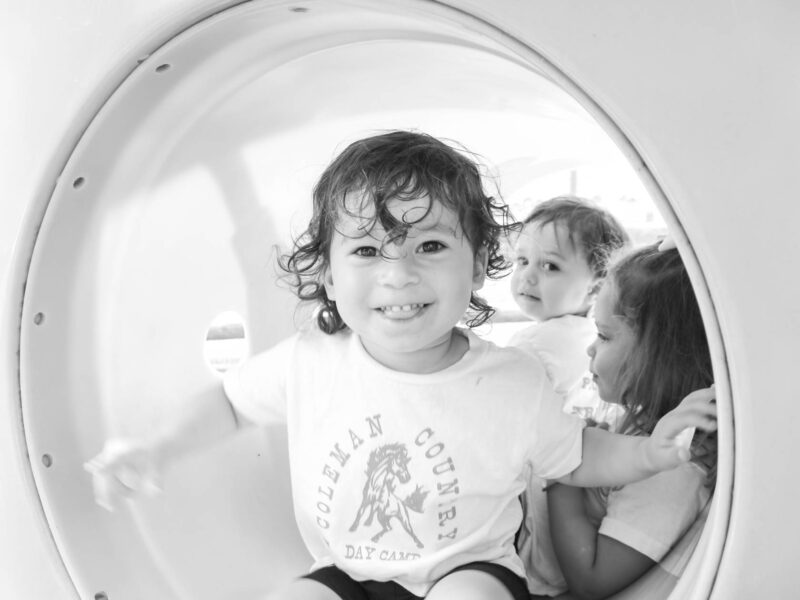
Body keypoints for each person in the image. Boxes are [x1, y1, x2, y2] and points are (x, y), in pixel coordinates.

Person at [84, 131, 716, 600]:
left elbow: (580, 456)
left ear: (476, 266)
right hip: (350, 577)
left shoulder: (509, 381)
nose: (399, 272)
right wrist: (154, 449)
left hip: (470, 569)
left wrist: (652, 454)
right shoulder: (309, 362)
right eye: (366, 249)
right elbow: (228, 402)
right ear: (328, 274)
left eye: (430, 245)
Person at [546, 243, 717, 600]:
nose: (591, 349)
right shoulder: (630, 420)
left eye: (604, 335)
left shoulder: (672, 467)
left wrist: (561, 471)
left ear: (664, 358)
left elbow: (591, 580)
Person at [508, 197, 630, 597]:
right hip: (575, 496)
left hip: (544, 482)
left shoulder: (535, 343)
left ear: (596, 285)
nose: (527, 277)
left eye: (550, 266)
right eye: (521, 260)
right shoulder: (588, 336)